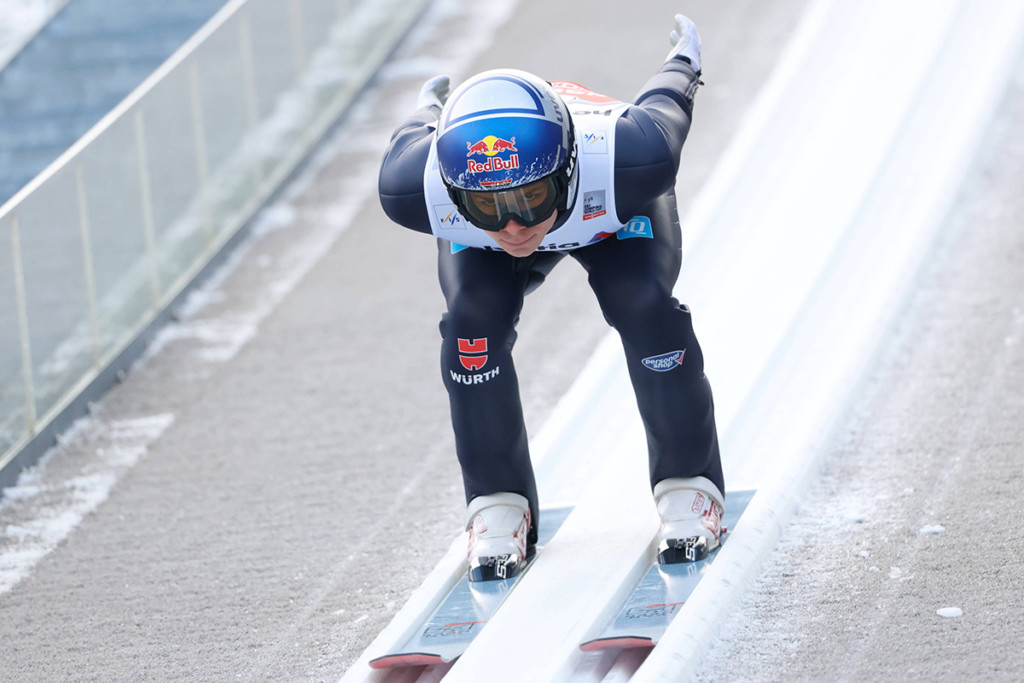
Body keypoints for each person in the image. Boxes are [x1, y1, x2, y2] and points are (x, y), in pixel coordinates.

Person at [378, 14, 724, 581]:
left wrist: (684, 59)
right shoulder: (410, 186)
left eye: (532, 196)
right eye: (490, 205)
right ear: (451, 189)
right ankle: (496, 502)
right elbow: (417, 130)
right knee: (472, 324)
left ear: (567, 168)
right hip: (559, 203)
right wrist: (430, 108)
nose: (515, 227)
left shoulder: (633, 156)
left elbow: (668, 96)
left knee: (642, 301)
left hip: (607, 211)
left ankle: (690, 483)